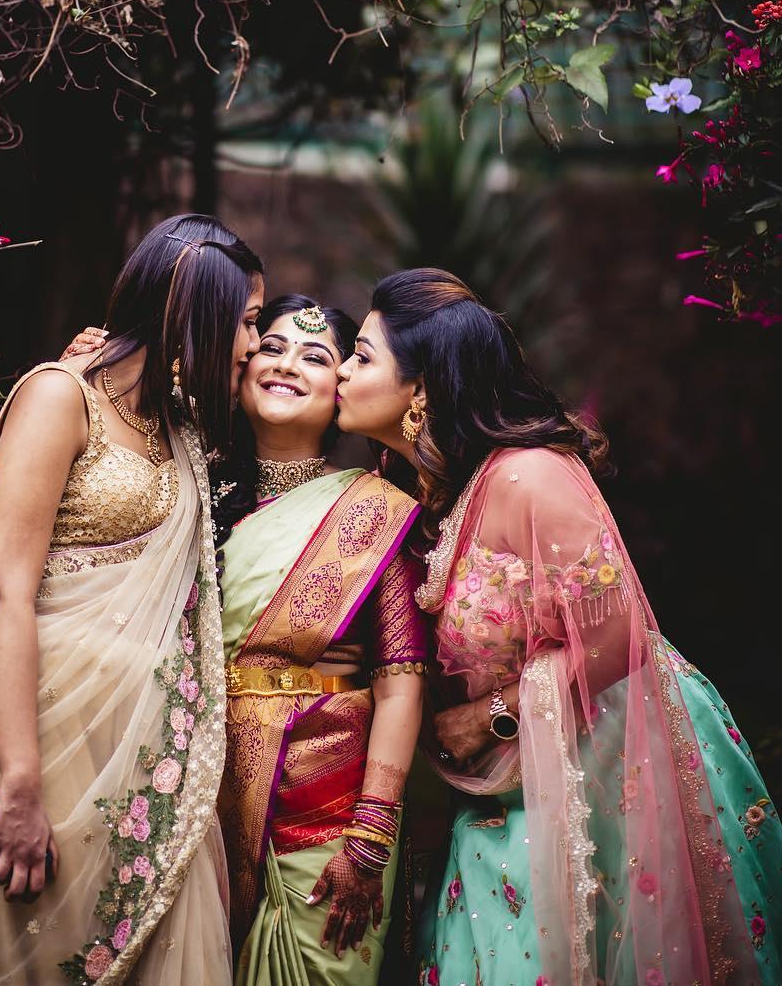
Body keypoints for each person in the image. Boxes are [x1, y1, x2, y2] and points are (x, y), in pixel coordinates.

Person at [334, 268, 781, 986]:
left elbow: (622, 638)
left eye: (360, 357)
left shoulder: (528, 477)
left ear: (420, 389)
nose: (340, 373)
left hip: (608, 775)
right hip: (506, 793)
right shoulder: (430, 488)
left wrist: (494, 717)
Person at [0, 214, 264, 986]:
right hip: (40, 745)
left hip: (147, 761)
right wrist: (19, 783)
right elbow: (6, 593)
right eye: (249, 322)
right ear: (197, 314)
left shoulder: (178, 424)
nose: (255, 346)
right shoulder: (61, 398)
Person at [213, 295, 429, 986]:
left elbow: (402, 678)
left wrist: (370, 834)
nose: (286, 365)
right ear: (241, 368)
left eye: (315, 356)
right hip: (197, 795)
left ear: (343, 386)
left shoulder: (374, 513)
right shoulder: (191, 493)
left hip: (329, 803)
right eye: (270, 347)